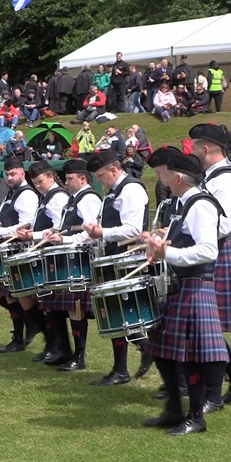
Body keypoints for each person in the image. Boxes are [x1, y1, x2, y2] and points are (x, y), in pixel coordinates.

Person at [142, 152, 228, 435]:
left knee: (191, 355)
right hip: (179, 286)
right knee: (161, 348)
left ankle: (195, 417)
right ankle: (175, 409)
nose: (162, 180)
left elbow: (207, 249)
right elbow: (182, 242)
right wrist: (158, 247)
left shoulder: (201, 205)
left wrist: (169, 251)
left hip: (195, 285)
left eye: (165, 175)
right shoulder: (184, 204)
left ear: (178, 178)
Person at [84, 150, 150, 385]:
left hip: (129, 260)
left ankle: (151, 352)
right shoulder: (112, 192)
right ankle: (122, 369)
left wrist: (102, 232)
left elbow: (133, 229)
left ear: (114, 170)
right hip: (114, 258)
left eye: (101, 175)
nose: (99, 181)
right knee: (115, 314)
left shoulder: (131, 189)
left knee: (128, 314)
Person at [190, 123, 231, 407]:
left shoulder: (228, 179)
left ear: (206, 149)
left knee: (209, 326)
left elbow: (222, 224)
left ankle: (213, 393)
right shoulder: (210, 178)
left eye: (196, 147)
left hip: (226, 250)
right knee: (207, 326)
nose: (193, 152)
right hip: (215, 250)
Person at [40, 159, 103, 370]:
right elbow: (67, 227)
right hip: (69, 260)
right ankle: (68, 353)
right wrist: (54, 233)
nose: (66, 183)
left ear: (83, 178)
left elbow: (91, 232)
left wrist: (64, 240)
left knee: (76, 309)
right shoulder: (73, 199)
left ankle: (79, 356)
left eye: (70, 179)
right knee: (68, 309)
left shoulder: (89, 198)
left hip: (81, 261)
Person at [16, 160, 71, 364]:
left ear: (50, 176)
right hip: (46, 255)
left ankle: (59, 349)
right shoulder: (46, 196)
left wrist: (32, 235)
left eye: (41, 181)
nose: (38, 185)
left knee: (53, 306)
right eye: (35, 183)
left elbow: (58, 228)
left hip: (54, 255)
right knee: (48, 305)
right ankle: (55, 348)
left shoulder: (57, 197)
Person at [0, 156, 39, 353]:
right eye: (7, 174)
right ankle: (25, 328)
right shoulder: (11, 193)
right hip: (6, 250)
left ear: (22, 173)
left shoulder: (26, 194)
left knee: (14, 295)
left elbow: (26, 225)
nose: (9, 177)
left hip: (19, 250)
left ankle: (24, 331)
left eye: (13, 173)